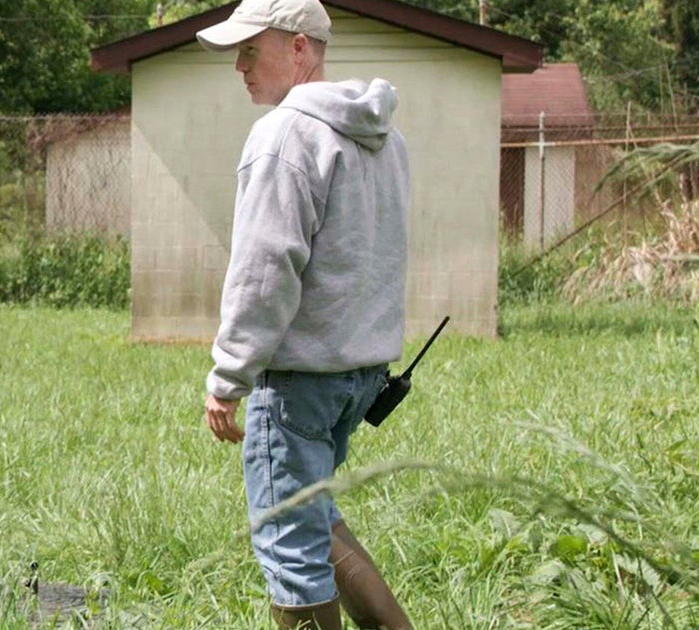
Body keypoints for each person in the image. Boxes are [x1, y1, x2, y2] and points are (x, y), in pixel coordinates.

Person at [195, 1, 413, 628]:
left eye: (249, 49)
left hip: (297, 386)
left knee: (290, 549)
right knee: (313, 515)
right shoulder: (386, 136)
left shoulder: (284, 135)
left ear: (299, 48)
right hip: (360, 375)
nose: (238, 65)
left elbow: (264, 271)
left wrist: (227, 377)